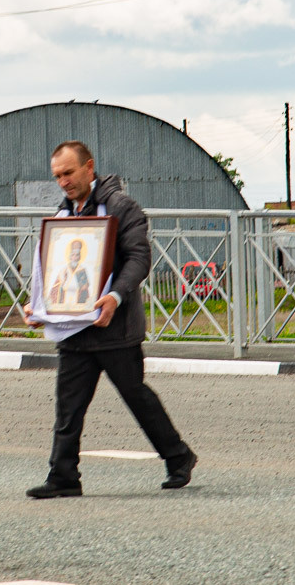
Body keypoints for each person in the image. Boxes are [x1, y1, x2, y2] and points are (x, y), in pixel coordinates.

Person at [27, 140, 196, 499]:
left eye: (69, 173)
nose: (64, 182)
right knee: (68, 406)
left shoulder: (122, 207)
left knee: (137, 397)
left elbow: (138, 258)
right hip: (74, 329)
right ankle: (63, 477)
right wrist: (39, 307)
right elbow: (52, 272)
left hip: (115, 327)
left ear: (90, 168)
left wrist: (114, 297)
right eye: (57, 176)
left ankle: (179, 456)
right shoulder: (62, 216)